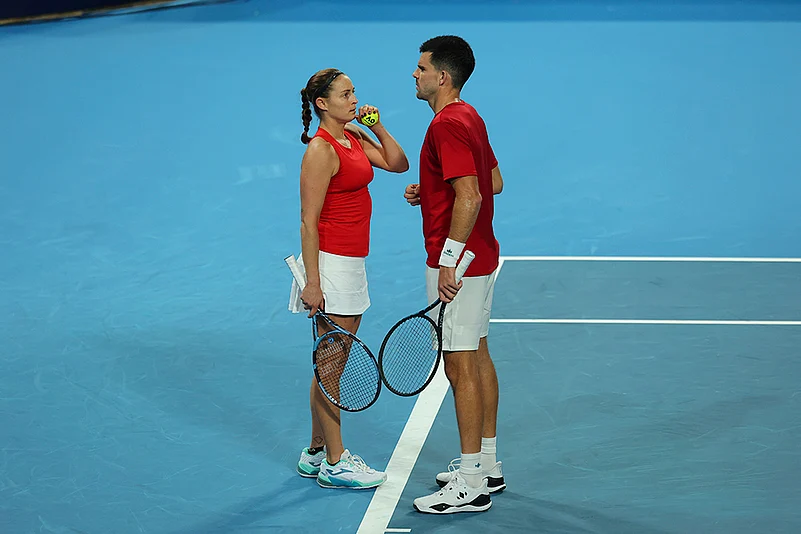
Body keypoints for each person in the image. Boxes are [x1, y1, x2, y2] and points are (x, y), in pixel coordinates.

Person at [290, 68, 409, 489]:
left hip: (352, 260)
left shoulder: (353, 137)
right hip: (331, 265)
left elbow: (397, 163)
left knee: (330, 363)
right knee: (331, 364)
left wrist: (375, 126)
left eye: (355, 92)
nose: (354, 99)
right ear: (322, 103)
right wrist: (313, 282)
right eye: (345, 94)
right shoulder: (320, 151)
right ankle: (336, 462)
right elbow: (308, 221)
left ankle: (316, 451)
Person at [404, 35, 505, 514]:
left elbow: (473, 196)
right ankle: (487, 462)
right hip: (482, 256)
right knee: (478, 352)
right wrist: (432, 188)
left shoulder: (446, 125)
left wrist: (448, 259)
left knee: (458, 363)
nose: (415, 74)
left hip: (458, 264)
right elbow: (494, 181)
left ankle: (470, 484)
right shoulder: (470, 116)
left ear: (442, 77)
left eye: (421, 68)